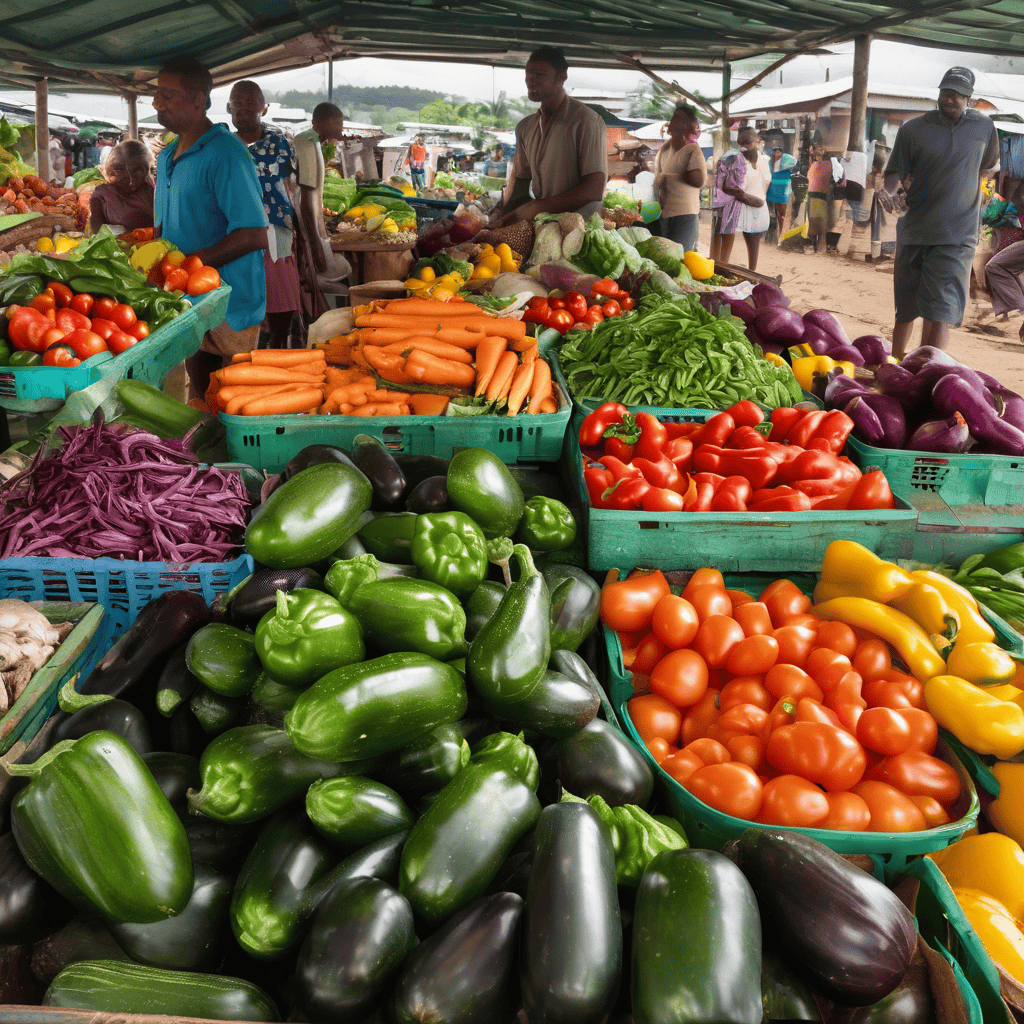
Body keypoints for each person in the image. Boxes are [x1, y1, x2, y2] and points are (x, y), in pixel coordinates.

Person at [152, 55, 268, 397]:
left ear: (197, 100)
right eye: (156, 94)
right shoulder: (166, 155)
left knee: (231, 399)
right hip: (187, 299)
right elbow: (162, 230)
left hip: (230, 304)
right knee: (199, 396)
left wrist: (192, 264)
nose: (157, 103)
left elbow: (254, 234)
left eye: (167, 95)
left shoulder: (227, 154)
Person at [878, 66, 1000, 358]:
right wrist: (888, 191)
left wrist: (962, 189)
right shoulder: (913, 129)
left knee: (940, 310)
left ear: (970, 98)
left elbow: (987, 168)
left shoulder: (984, 128)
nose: (950, 98)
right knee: (906, 308)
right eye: (946, 92)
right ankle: (897, 361)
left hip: (958, 234)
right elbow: (896, 172)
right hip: (915, 231)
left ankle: (926, 369)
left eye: (958, 94)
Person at [495, 46, 606, 225]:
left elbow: (594, 189)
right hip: (543, 228)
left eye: (539, 75)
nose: (531, 81)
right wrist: (502, 216)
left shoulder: (586, 121)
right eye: (528, 74)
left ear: (561, 78)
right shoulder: (525, 127)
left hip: (581, 230)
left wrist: (537, 207)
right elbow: (520, 187)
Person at [228, 79, 301, 349]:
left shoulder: (280, 142)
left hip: (277, 227)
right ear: (229, 107)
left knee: (282, 298)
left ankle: (279, 345)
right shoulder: (223, 145)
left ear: (264, 108)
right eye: (237, 103)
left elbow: (293, 186)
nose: (243, 109)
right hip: (234, 232)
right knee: (241, 301)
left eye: (251, 103)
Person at [710, 126, 771, 273]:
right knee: (728, 236)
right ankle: (723, 267)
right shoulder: (744, 158)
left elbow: (722, 182)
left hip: (735, 202)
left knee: (722, 236)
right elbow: (765, 182)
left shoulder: (731, 156)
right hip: (737, 202)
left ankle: (719, 267)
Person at [653, 104, 706, 253]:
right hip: (664, 212)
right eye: (674, 117)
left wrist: (671, 177)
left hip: (685, 214)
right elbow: (658, 179)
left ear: (687, 126)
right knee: (664, 255)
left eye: (679, 118)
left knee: (680, 255)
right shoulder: (665, 149)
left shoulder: (692, 149)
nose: (673, 121)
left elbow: (698, 180)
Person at [89, 140, 154, 234]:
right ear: (112, 172)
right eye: (122, 173)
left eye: (137, 171)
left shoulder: (150, 191)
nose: (131, 182)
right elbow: (96, 233)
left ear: (146, 169)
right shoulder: (102, 194)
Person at [766, 144, 797, 243]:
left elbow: (793, 162)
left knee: (782, 212)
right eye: (775, 151)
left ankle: (782, 235)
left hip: (782, 188)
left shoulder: (786, 162)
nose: (777, 152)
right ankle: (772, 237)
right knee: (772, 214)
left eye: (779, 151)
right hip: (772, 188)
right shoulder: (770, 163)